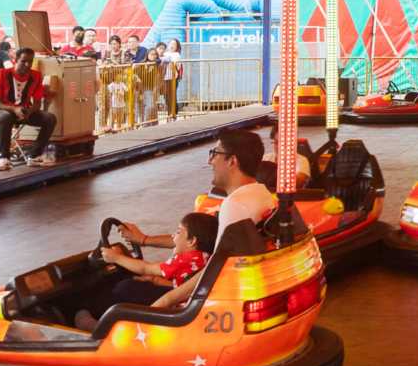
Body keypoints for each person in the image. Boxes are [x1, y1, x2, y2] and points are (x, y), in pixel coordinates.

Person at [118, 130, 272, 256]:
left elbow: (217, 267)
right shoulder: (261, 193)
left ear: (232, 161)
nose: (209, 161)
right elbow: (199, 239)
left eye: (214, 153)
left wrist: (161, 286)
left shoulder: (235, 206)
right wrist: (144, 239)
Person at [74, 211, 219, 328]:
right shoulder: (204, 256)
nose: (173, 236)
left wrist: (116, 258)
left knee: (125, 287)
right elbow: (183, 283)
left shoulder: (185, 259)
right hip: (186, 302)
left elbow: (146, 268)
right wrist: (154, 280)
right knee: (133, 284)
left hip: (176, 309)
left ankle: (102, 326)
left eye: (178, 232)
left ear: (192, 241)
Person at [0, 46, 57, 168]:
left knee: (50, 118)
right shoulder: (2, 74)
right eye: (23, 61)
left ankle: (34, 155)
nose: (27, 65)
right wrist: (14, 109)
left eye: (30, 62)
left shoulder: (36, 76)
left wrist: (29, 112)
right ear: (15, 60)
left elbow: (37, 102)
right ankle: (4, 157)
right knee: (5, 117)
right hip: (5, 110)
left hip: (25, 111)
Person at [160, 38, 182, 120]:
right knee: (166, 96)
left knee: (172, 96)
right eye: (171, 44)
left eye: (174, 44)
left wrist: (165, 60)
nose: (172, 45)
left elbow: (174, 63)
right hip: (164, 78)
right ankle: (170, 113)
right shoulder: (165, 53)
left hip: (172, 78)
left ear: (177, 47)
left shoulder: (177, 55)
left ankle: (173, 113)